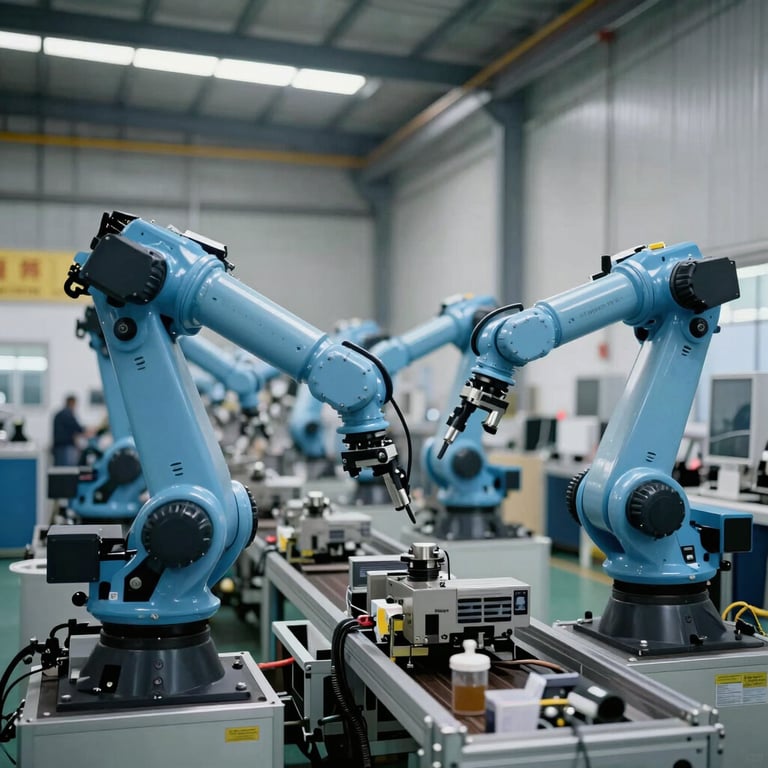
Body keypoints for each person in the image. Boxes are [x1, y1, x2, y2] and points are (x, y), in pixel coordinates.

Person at [52, 395, 88, 466]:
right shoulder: (67, 414)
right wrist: (87, 431)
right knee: (67, 470)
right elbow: (77, 428)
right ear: (72, 403)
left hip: (58, 446)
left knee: (60, 469)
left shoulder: (59, 414)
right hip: (65, 447)